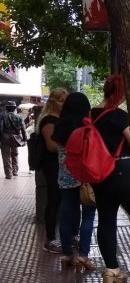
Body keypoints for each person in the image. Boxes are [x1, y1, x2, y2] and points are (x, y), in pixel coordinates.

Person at [91, 74, 130, 283]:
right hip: (122, 172)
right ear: (120, 93)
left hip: (99, 175)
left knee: (106, 220)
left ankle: (112, 270)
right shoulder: (120, 116)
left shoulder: (90, 115)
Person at [52, 92, 97, 271]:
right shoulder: (87, 127)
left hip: (65, 178)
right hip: (86, 178)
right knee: (88, 215)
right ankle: (84, 256)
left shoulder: (60, 127)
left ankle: (67, 254)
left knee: (66, 215)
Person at [37, 88, 68, 253]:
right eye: (60, 100)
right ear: (52, 102)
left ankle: (59, 237)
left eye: (65, 100)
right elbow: (51, 146)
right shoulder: (49, 120)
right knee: (54, 200)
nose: (63, 104)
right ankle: (50, 239)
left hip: (60, 165)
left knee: (60, 201)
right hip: (53, 165)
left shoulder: (60, 119)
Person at [1, 101, 27, 179]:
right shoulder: (19, 117)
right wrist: (24, 139)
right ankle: (15, 171)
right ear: (15, 108)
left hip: (4, 137)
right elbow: (23, 129)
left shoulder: (2, 116)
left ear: (6, 108)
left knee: (6, 156)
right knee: (14, 154)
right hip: (15, 138)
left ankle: (8, 174)